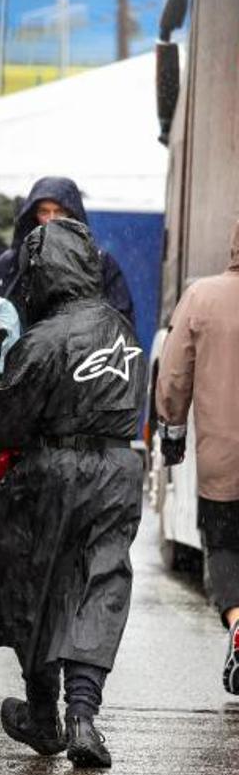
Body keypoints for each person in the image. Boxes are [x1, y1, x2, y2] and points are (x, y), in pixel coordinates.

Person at [0, 218, 144, 769]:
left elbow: (7, 417)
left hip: (53, 471)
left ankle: (44, 714)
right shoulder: (121, 328)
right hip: (119, 468)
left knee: (35, 584)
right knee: (100, 582)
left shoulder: (45, 339)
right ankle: (83, 715)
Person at [155, 218, 239, 694]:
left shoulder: (203, 296)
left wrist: (172, 425)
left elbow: (173, 374)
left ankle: (237, 620)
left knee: (225, 545)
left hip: (223, 458)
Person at [0, 176, 134, 327]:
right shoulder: (11, 264)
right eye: (44, 212)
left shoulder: (99, 262)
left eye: (59, 211)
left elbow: (120, 321)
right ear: (33, 215)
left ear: (73, 214)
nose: (51, 220)